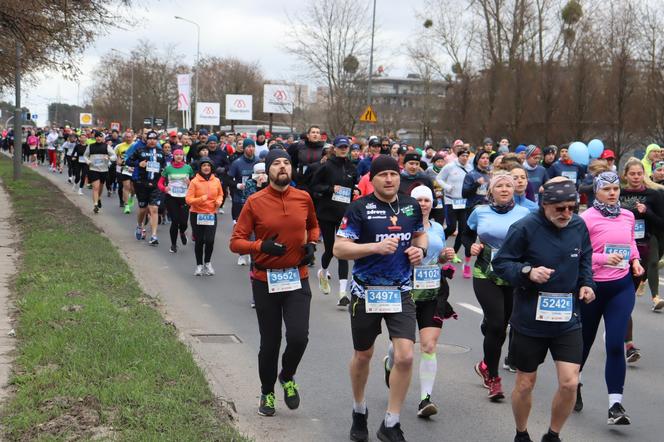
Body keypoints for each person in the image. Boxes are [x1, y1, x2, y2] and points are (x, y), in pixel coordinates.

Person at [492, 177, 596, 442]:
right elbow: (501, 263)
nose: (567, 213)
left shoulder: (578, 225)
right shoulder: (525, 227)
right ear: (544, 204)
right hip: (529, 319)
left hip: (567, 319)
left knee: (570, 382)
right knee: (525, 384)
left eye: (572, 207)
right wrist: (528, 271)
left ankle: (553, 435)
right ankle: (521, 433)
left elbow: (585, 258)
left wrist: (586, 284)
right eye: (560, 208)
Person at [333, 155, 426, 442]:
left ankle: (391, 421)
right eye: (383, 174)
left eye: (393, 174)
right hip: (366, 292)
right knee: (363, 355)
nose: (389, 179)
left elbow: (420, 237)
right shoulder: (359, 208)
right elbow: (339, 249)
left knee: (406, 356)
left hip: (401, 291)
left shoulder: (411, 206)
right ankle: (359, 409)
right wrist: (374, 247)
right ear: (372, 179)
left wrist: (419, 251)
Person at [230, 149, 319, 417]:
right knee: (270, 342)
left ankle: (287, 375)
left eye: (286, 163)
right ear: (267, 171)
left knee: (298, 337)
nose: (282, 167)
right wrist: (261, 245)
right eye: (276, 163)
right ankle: (267, 393)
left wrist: (312, 243)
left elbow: (314, 226)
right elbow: (236, 242)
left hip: (297, 277)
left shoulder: (303, 198)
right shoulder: (255, 202)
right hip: (264, 279)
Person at [576, 171, 644, 424]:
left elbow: (630, 243)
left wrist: (635, 261)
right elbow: (578, 255)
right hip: (592, 289)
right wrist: (603, 258)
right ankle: (575, 383)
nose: (613, 193)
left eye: (616, 189)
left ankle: (615, 405)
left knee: (616, 343)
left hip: (621, 287)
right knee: (583, 343)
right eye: (607, 189)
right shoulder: (586, 219)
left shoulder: (627, 216)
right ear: (597, 191)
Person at [383, 185, 455, 419]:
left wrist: (445, 257)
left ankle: (425, 399)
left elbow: (439, 257)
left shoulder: (437, 228)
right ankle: (390, 361)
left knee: (429, 345)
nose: (423, 204)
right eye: (419, 200)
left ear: (432, 204)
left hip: (433, 291)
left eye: (427, 200)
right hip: (404, 290)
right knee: (401, 347)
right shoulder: (399, 225)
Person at [462, 172, 530, 400]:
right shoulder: (480, 212)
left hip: (513, 273)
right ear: (490, 191)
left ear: (514, 190)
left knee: (504, 325)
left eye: (508, 186)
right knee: (496, 324)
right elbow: (467, 233)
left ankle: (484, 364)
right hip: (485, 272)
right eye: (499, 186)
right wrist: (471, 246)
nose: (504, 189)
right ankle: (493, 377)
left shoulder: (525, 213)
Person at [310, 135, 358, 306]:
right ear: (335, 148)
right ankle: (323, 272)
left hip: (344, 214)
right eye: (341, 147)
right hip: (327, 213)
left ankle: (342, 293)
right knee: (330, 250)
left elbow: (354, 186)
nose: (344, 149)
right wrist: (330, 189)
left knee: (342, 251)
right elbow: (314, 187)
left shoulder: (352, 168)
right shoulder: (326, 166)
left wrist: (355, 192)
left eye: (346, 147)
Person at [437, 147, 474, 276]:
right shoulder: (449, 167)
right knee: (452, 227)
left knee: (463, 230)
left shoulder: (470, 168)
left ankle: (454, 253)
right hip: (450, 200)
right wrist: (447, 187)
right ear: (458, 156)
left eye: (466, 156)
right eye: (462, 156)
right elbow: (439, 178)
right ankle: (440, 239)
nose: (464, 158)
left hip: (463, 202)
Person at [126, 130, 166, 245]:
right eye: (150, 139)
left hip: (155, 184)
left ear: (157, 140)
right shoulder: (140, 150)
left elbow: (164, 166)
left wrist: (164, 174)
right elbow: (128, 161)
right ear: (146, 140)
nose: (152, 141)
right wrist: (138, 164)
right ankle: (139, 226)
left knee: (154, 209)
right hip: (141, 183)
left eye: (154, 139)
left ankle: (154, 236)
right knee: (143, 209)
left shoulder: (161, 152)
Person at [185, 157, 223, 275]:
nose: (206, 167)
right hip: (197, 214)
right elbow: (188, 200)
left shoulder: (216, 181)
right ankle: (199, 266)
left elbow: (221, 194)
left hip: (211, 214)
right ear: (200, 168)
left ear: (211, 168)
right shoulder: (194, 181)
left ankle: (207, 263)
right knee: (200, 241)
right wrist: (200, 199)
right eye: (204, 166)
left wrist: (219, 201)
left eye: (208, 165)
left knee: (210, 240)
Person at [158, 149, 195, 253]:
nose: (179, 156)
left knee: (183, 223)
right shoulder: (168, 168)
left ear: (183, 156)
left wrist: (190, 183)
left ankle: (182, 232)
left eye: (181, 155)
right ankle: (173, 245)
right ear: (173, 156)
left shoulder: (188, 168)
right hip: (171, 197)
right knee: (175, 221)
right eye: (176, 155)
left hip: (184, 198)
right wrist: (164, 189)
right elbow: (160, 183)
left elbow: (194, 183)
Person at [230, 138, 258, 265]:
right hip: (239, 200)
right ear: (244, 148)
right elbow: (228, 179)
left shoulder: (259, 163)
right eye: (248, 147)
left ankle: (255, 252)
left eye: (252, 146)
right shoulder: (237, 163)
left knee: (255, 227)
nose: (250, 149)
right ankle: (242, 254)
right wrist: (238, 185)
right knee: (242, 228)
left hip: (256, 200)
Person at [83, 131, 117, 214]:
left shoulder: (107, 146)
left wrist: (109, 157)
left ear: (103, 138)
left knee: (101, 187)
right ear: (95, 137)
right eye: (97, 137)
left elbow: (114, 156)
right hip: (94, 169)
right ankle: (95, 205)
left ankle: (98, 198)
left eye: (100, 137)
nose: (98, 138)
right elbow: (85, 155)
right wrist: (88, 161)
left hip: (104, 170)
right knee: (95, 187)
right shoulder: (90, 146)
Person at [115, 132, 135, 213]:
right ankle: (126, 205)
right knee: (126, 186)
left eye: (129, 137)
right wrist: (118, 161)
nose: (128, 138)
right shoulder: (119, 146)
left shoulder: (136, 145)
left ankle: (132, 197)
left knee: (133, 188)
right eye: (126, 137)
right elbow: (116, 156)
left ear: (133, 137)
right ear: (124, 138)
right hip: (125, 168)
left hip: (135, 168)